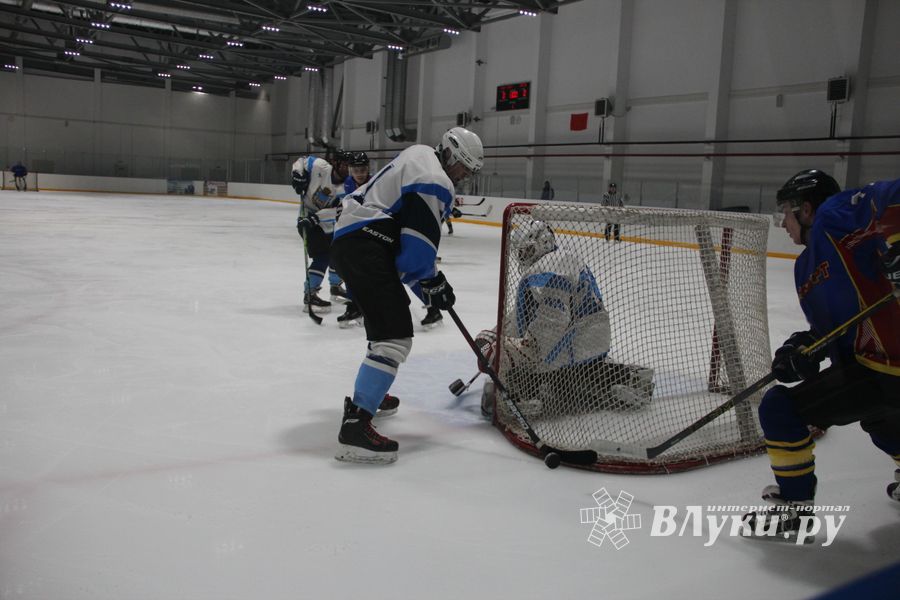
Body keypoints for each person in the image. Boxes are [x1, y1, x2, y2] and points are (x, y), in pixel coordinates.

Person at [742, 170, 900, 542]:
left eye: (786, 211)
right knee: (880, 421)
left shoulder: (834, 215)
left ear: (806, 208)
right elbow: (835, 330)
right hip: (877, 370)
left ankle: (795, 513)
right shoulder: (805, 268)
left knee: (780, 408)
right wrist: (802, 349)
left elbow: (893, 193)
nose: (783, 222)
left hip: (887, 365)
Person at [329, 126, 484, 463]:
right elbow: (415, 258)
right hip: (365, 245)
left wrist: (430, 288)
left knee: (385, 327)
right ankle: (356, 425)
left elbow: (405, 258)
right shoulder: (434, 178)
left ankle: (370, 392)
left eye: (467, 172)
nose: (461, 176)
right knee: (394, 337)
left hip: (352, 240)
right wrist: (433, 286)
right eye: (461, 167)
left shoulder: (417, 155)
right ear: (448, 155)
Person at [476, 218, 654, 419]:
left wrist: (514, 349)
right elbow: (522, 316)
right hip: (590, 344)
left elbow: (552, 320)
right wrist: (494, 333)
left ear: (540, 243)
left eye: (525, 251)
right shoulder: (562, 260)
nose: (522, 257)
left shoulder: (551, 266)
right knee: (564, 376)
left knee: (503, 357)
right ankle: (621, 377)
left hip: (571, 346)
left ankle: (519, 396)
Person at [291, 155, 345, 313]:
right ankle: (310, 293)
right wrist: (297, 174)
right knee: (322, 256)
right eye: (343, 164)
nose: (346, 169)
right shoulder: (319, 166)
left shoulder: (347, 187)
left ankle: (335, 286)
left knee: (337, 253)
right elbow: (301, 162)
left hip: (327, 223)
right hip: (306, 219)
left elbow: (339, 210)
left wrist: (317, 218)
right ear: (335, 163)